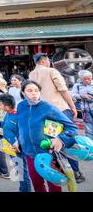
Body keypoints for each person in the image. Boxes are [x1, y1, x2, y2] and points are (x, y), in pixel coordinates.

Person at [29, 52, 84, 183]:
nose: (49, 61)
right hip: (60, 111)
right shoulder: (51, 71)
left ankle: (60, 171)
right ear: (43, 61)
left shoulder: (31, 74)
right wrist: (72, 107)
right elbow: (63, 90)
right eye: (48, 59)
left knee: (53, 142)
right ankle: (75, 172)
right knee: (68, 140)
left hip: (45, 114)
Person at [17, 80, 78, 192]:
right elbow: (20, 126)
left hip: (49, 155)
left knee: (54, 185)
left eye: (36, 90)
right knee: (37, 185)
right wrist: (17, 141)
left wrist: (60, 139)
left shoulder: (48, 107)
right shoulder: (21, 106)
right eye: (29, 90)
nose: (34, 93)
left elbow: (72, 127)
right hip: (30, 154)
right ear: (23, 93)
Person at [0, 93, 32, 192]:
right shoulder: (8, 113)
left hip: (18, 148)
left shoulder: (19, 116)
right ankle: (23, 188)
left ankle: (25, 190)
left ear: (7, 106)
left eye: (0, 104)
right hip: (9, 146)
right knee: (19, 170)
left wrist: (18, 143)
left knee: (22, 171)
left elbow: (26, 132)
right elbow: (6, 125)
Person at [71, 70, 93, 140]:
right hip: (85, 111)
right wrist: (82, 95)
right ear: (81, 79)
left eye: (89, 78)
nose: (87, 80)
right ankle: (91, 145)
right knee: (88, 129)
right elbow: (72, 95)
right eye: (85, 79)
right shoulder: (77, 85)